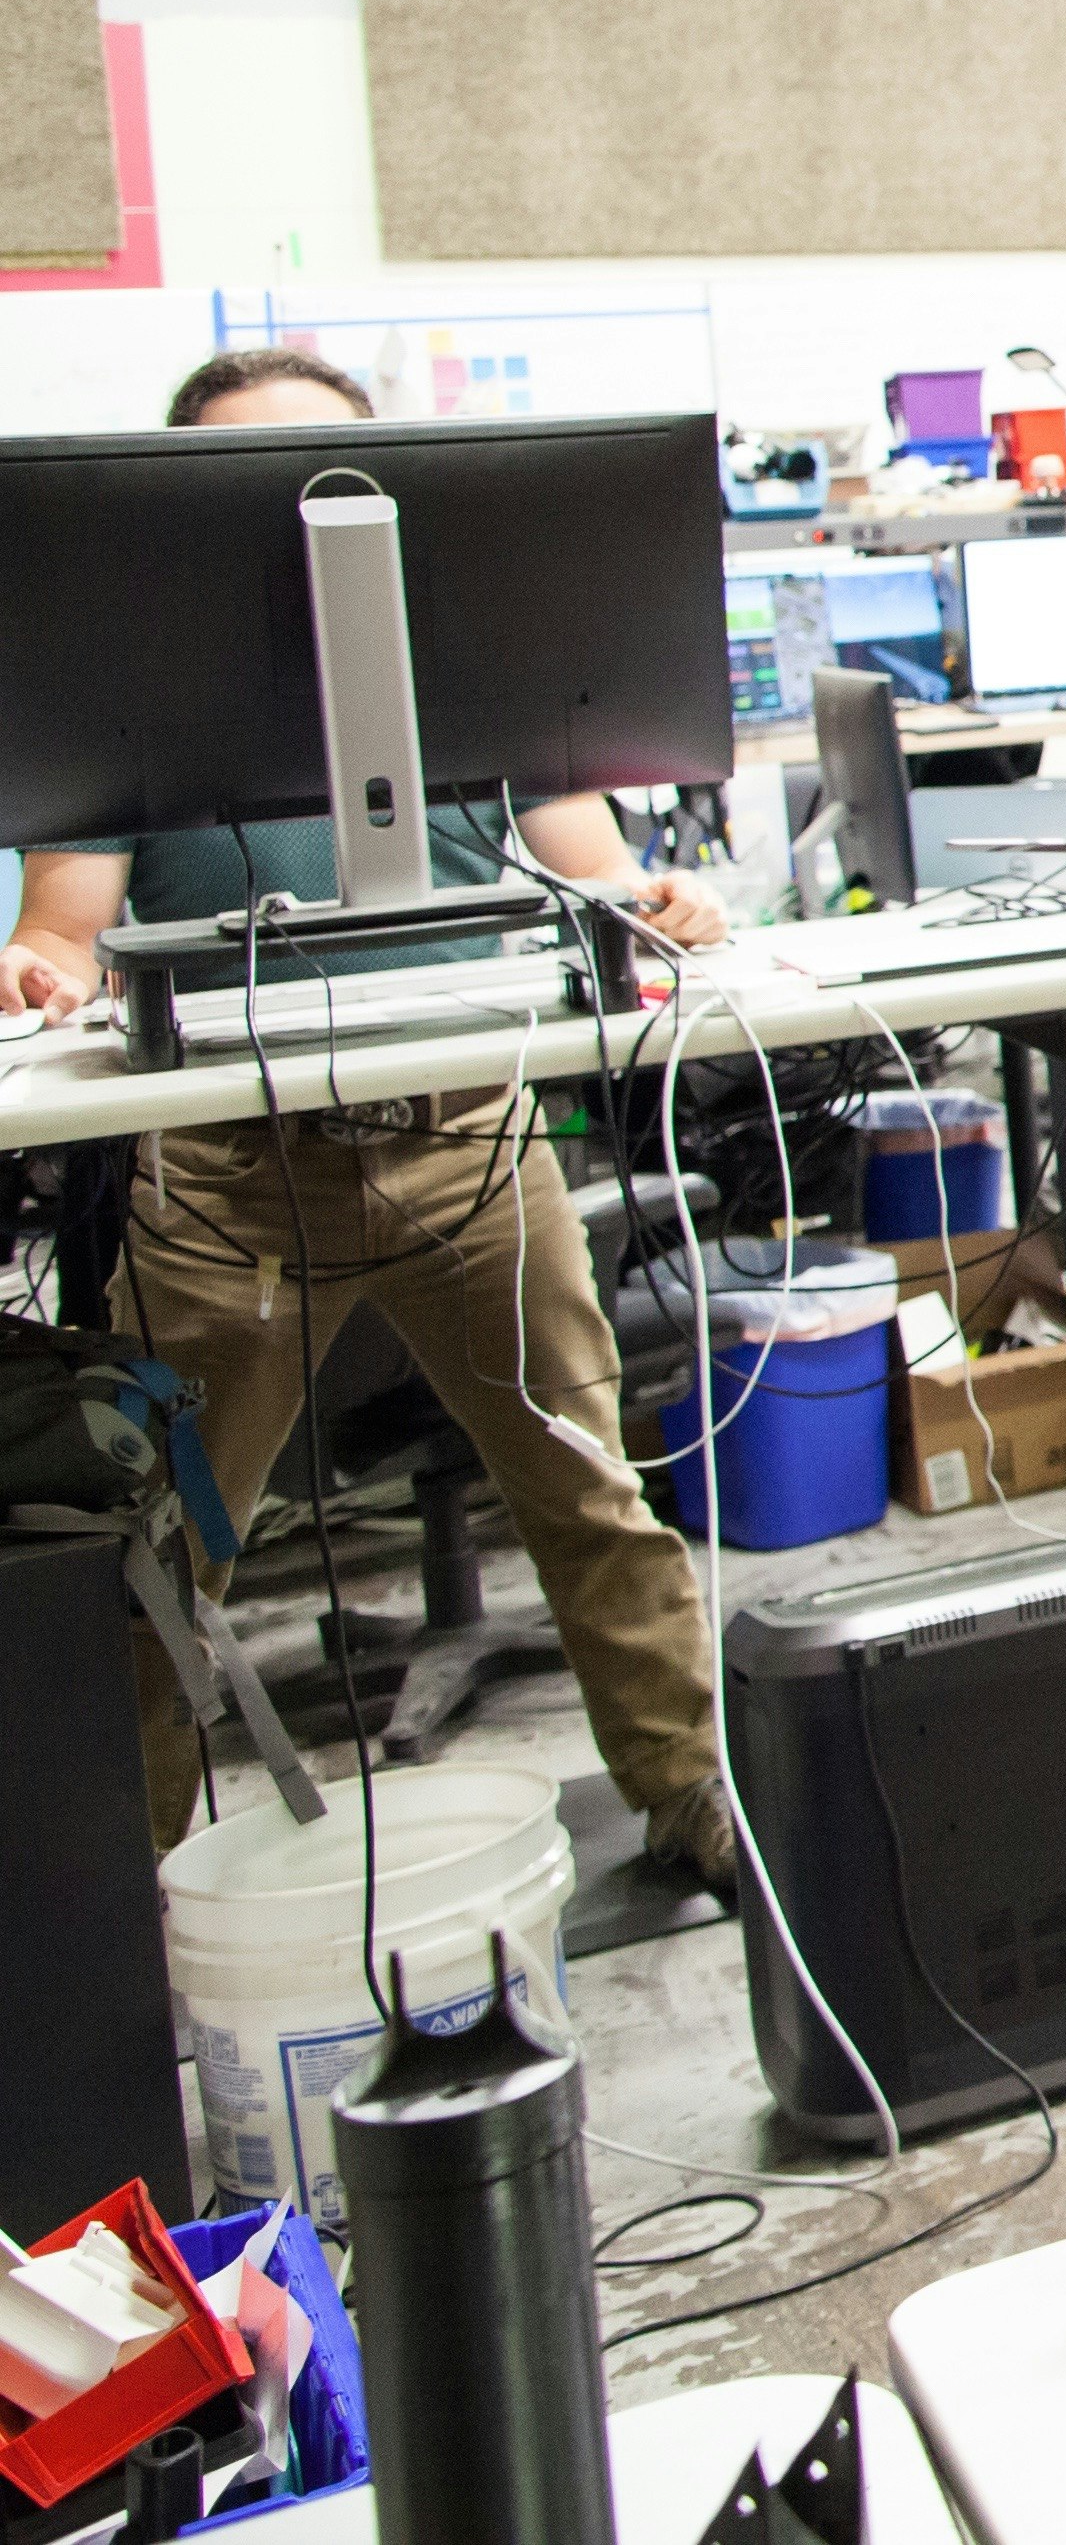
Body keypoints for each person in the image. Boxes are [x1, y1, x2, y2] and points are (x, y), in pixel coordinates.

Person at [6, 343, 745, 1877]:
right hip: (225, 1187)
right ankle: (110, 1901)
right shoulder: (143, 694)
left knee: (592, 1495)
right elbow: (62, 932)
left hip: (472, 1141)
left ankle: (697, 1800)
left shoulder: (464, 668)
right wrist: (39, 964)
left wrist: (653, 902)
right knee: (159, 1558)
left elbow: (596, 873)